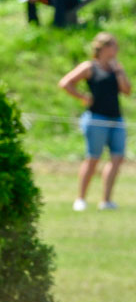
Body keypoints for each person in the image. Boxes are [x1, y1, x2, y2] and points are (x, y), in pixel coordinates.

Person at [59, 32, 131, 211]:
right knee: (93, 158)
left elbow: (127, 90)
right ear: (104, 48)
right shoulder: (90, 66)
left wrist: (119, 71)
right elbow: (66, 83)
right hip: (96, 118)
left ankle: (106, 200)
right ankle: (81, 198)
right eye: (114, 45)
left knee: (117, 157)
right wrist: (83, 97)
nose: (116, 49)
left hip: (116, 118)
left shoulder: (116, 68)